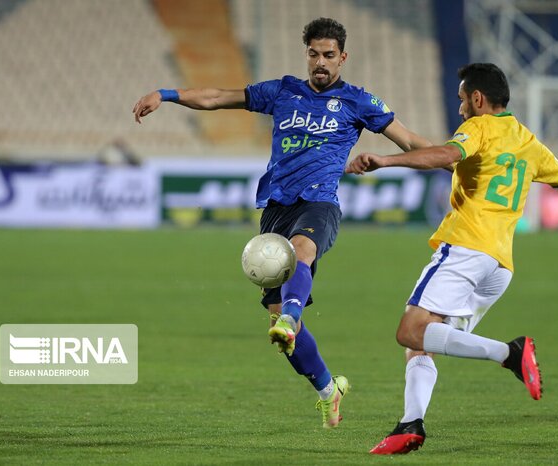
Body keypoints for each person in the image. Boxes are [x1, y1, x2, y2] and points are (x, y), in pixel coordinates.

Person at [133, 17, 432, 428]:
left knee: (302, 252)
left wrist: (457, 159)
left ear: (342, 57)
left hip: (319, 204)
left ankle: (291, 317)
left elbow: (412, 142)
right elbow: (220, 97)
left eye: (329, 55)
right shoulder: (283, 91)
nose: (320, 62)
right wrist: (165, 94)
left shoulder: (359, 102)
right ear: (306, 54)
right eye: (314, 54)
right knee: (278, 324)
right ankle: (328, 388)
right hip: (276, 207)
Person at [346, 63, 558, 453]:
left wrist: (385, 162)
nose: (460, 108)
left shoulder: (478, 128)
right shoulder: (529, 143)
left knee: (409, 331)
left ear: (477, 99)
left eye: (463, 100)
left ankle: (509, 352)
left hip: (466, 248)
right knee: (424, 343)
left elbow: (447, 152)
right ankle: (411, 424)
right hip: (500, 265)